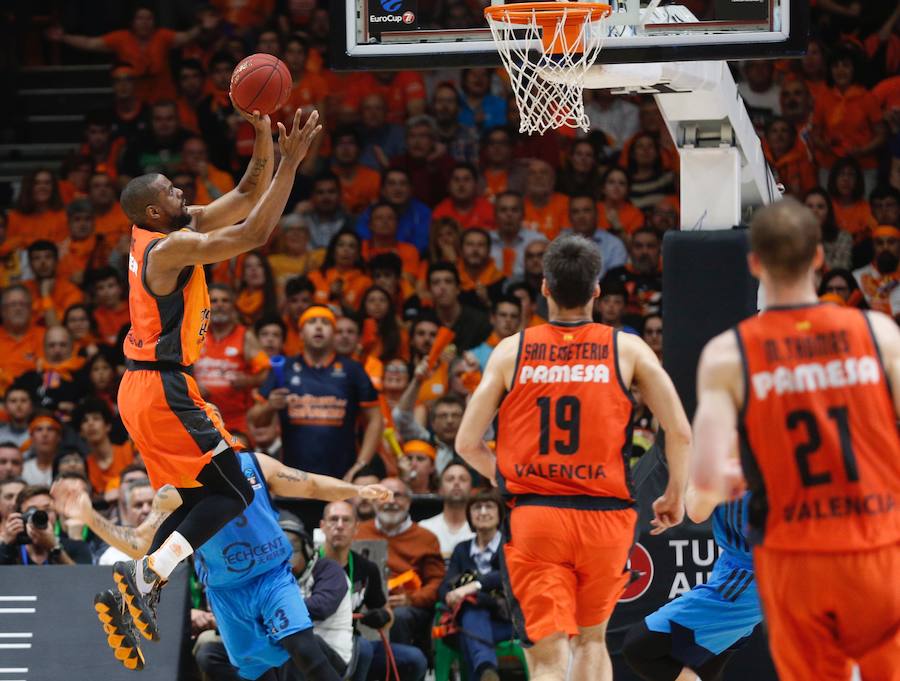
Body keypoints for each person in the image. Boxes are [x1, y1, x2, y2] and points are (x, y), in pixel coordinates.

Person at [109, 106, 322, 642]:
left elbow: (247, 197)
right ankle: (149, 573)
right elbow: (254, 233)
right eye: (173, 191)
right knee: (235, 491)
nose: (183, 193)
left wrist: (261, 135)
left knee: (204, 494)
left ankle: (141, 583)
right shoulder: (172, 245)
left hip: (146, 384)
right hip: (162, 387)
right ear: (155, 212)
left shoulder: (166, 227)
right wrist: (291, 165)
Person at [455, 234, 692, 681]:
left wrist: (508, 478)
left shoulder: (512, 350)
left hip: (537, 517)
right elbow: (679, 430)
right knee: (592, 640)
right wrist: (674, 493)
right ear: (597, 289)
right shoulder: (627, 348)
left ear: (544, 287)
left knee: (548, 656)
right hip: (606, 517)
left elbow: (466, 442)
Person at [691, 197, 900, 681]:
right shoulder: (878, 334)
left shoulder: (728, 354)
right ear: (821, 258)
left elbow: (703, 485)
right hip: (872, 542)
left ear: (754, 263)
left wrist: (728, 476)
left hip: (793, 555)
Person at [53, 451, 391, 677]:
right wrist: (90, 517)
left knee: (304, 648)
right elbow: (141, 544)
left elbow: (312, 484)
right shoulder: (173, 491)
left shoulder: (254, 464)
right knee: (256, 669)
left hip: (272, 577)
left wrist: (356, 491)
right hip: (226, 591)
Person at [623, 487, 760, 681]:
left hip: (750, 575)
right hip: (732, 565)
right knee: (701, 666)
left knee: (639, 647)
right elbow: (697, 511)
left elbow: (697, 510)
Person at [257, 306, 382, 480]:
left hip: (341, 476)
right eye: (311, 322)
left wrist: (360, 465)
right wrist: (270, 406)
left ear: (334, 333)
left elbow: (375, 418)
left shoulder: (353, 369)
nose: (318, 327)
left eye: (325, 323)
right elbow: (256, 420)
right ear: (300, 333)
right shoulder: (283, 368)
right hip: (293, 477)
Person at [319, 500, 428, 681]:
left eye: (346, 520)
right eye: (333, 519)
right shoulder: (309, 564)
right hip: (316, 642)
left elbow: (386, 614)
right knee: (363, 650)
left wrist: (382, 617)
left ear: (356, 528)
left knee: (414, 660)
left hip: (352, 641)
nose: (339, 526)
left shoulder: (366, 568)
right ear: (322, 526)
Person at [355, 477, 446, 655]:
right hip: (363, 603)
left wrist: (412, 598)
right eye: (384, 496)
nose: (390, 501)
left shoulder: (426, 538)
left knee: (399, 617)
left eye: (398, 496)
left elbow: (436, 582)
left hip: (406, 607)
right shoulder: (358, 532)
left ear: (409, 501)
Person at [438, 490, 512, 681]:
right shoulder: (462, 549)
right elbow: (445, 587)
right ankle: (486, 670)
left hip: (507, 622)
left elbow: (506, 577)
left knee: (469, 627)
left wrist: (473, 588)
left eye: (489, 506)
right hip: (472, 622)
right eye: (477, 507)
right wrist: (450, 595)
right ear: (470, 516)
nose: (483, 511)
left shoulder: (510, 547)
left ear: (499, 514)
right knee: (472, 615)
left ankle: (485, 669)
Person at [194, 284, 270, 433]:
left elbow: (267, 371)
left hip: (235, 423)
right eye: (214, 301)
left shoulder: (245, 336)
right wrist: (193, 386)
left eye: (225, 300)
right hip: (201, 420)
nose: (219, 305)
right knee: (207, 456)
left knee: (227, 454)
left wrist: (248, 381)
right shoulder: (196, 335)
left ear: (233, 305)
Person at [0, 484, 93, 565]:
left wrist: (54, 547)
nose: (40, 515)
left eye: (47, 510)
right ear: (20, 515)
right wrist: (5, 545)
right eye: (32, 510)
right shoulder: (12, 549)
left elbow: (82, 580)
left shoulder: (77, 547)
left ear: (56, 515)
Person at [419, 463, 476, 560]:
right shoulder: (424, 528)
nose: (456, 483)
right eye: (450, 479)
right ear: (440, 489)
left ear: (472, 489)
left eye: (463, 479)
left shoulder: (482, 529)